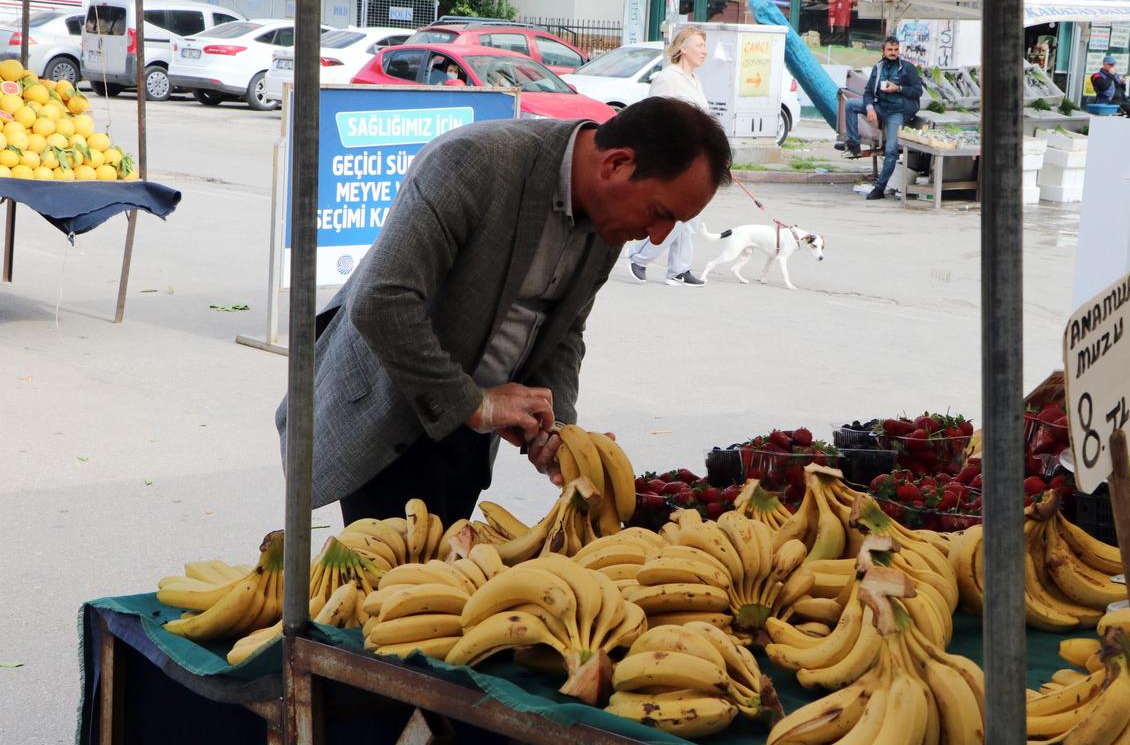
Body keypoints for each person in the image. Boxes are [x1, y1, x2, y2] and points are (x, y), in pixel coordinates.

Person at [275, 97, 732, 525]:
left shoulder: (609, 219)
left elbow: (565, 331)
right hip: (392, 412)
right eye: (659, 212)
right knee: (394, 589)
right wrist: (474, 403)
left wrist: (558, 429)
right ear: (616, 164)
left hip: (473, 430)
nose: (656, 236)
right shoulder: (473, 162)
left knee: (448, 582)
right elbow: (381, 301)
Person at [627, 26, 711, 287]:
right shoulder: (669, 78)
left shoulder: (694, 80)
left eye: (705, 46)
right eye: (699, 45)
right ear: (683, 48)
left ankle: (679, 269)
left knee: (692, 218)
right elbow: (653, 117)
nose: (704, 51)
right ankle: (638, 257)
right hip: (673, 157)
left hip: (696, 158)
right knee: (675, 215)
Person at [839, 36, 924, 201]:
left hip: (897, 112)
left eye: (896, 50)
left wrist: (898, 88)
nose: (893, 53)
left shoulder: (908, 68)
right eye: (890, 50)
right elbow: (869, 92)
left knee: (891, 150)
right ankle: (854, 144)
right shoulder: (878, 68)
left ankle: (879, 188)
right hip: (880, 107)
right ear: (883, 51)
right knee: (850, 105)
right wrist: (870, 108)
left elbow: (917, 91)